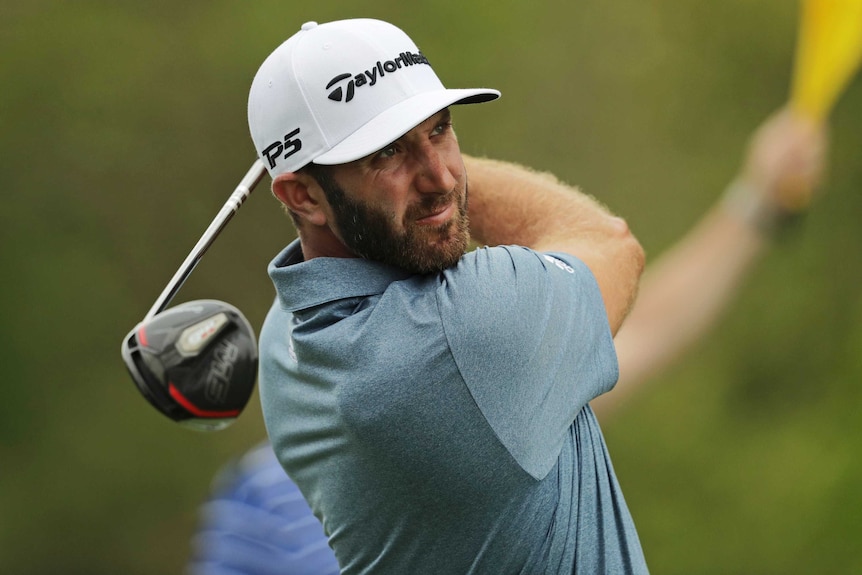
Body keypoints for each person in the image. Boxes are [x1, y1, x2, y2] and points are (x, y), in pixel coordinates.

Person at [190, 17, 826, 575]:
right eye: (385, 153)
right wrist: (430, 174)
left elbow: (643, 333)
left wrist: (381, 168)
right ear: (300, 195)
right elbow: (609, 244)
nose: (441, 175)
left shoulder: (286, 340)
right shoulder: (461, 341)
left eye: (441, 130)